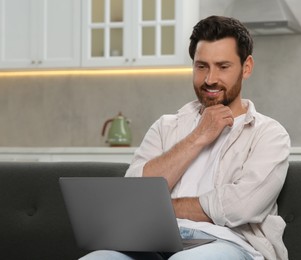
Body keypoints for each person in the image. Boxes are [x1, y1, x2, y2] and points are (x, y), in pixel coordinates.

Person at [81, 15, 290, 260]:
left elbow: (240, 207)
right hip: (150, 241)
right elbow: (134, 194)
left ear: (246, 67)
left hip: (228, 243)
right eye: (201, 66)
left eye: (223, 66)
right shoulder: (165, 127)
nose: (210, 79)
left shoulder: (269, 134)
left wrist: (161, 207)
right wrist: (199, 136)